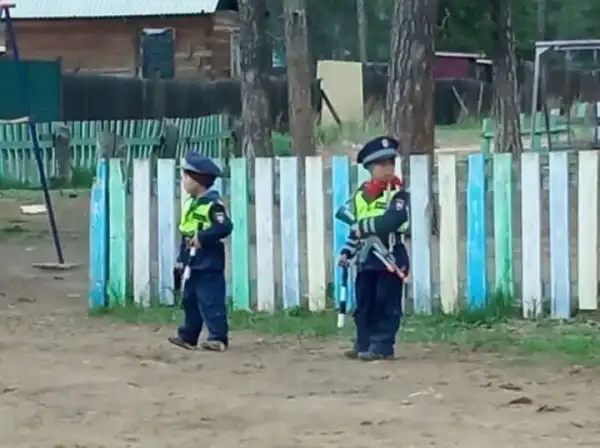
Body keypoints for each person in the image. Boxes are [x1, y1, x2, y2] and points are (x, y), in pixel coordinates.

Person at [337, 136, 410, 361]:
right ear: (369, 168)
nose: (388, 168)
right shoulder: (360, 196)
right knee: (364, 302)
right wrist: (347, 251)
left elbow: (392, 221)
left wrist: (363, 226)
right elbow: (353, 229)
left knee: (386, 303)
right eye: (381, 164)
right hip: (366, 258)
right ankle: (363, 342)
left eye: (391, 163)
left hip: (390, 256)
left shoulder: (398, 194)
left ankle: (382, 345)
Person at [168, 152, 233, 352]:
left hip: (209, 261)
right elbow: (186, 233)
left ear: (198, 180)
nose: (183, 181)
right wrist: (181, 259)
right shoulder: (190, 203)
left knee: (210, 299)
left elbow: (225, 227)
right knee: (190, 300)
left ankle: (217, 337)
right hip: (191, 261)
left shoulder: (214, 205)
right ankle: (189, 336)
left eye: (186, 177)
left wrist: (203, 237)